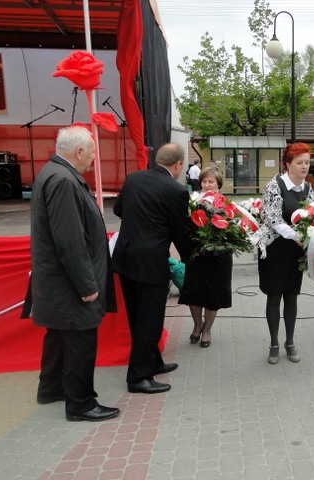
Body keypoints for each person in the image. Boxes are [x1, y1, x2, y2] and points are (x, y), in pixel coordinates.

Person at [22, 126, 119, 422]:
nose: (92, 159)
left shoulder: (54, 173)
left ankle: (51, 387)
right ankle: (81, 404)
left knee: (58, 336)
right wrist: (87, 285)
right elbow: (69, 240)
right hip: (69, 283)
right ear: (78, 152)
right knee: (79, 339)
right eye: (91, 153)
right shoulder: (64, 180)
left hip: (56, 281)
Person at [112, 143, 192, 394]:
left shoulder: (133, 179)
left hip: (126, 258)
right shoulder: (176, 190)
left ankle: (153, 362)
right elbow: (181, 233)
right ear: (178, 165)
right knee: (150, 321)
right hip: (151, 263)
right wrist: (191, 260)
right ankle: (138, 377)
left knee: (137, 316)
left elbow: (117, 209)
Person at [256, 142, 314, 364]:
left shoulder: (308, 188)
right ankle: (274, 343)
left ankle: (289, 342)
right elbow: (271, 217)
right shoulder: (275, 185)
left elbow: (313, 215)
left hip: (294, 252)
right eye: (299, 162)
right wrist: (295, 235)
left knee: (291, 296)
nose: (304, 166)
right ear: (288, 164)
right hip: (274, 250)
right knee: (274, 297)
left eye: (307, 162)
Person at [178, 167, 233, 348]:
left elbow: (231, 228)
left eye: (211, 181)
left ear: (218, 184)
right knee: (194, 293)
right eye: (204, 181)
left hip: (219, 256)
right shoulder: (193, 201)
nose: (207, 185)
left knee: (213, 294)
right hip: (197, 255)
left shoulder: (226, 203)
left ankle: (207, 330)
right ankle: (197, 326)